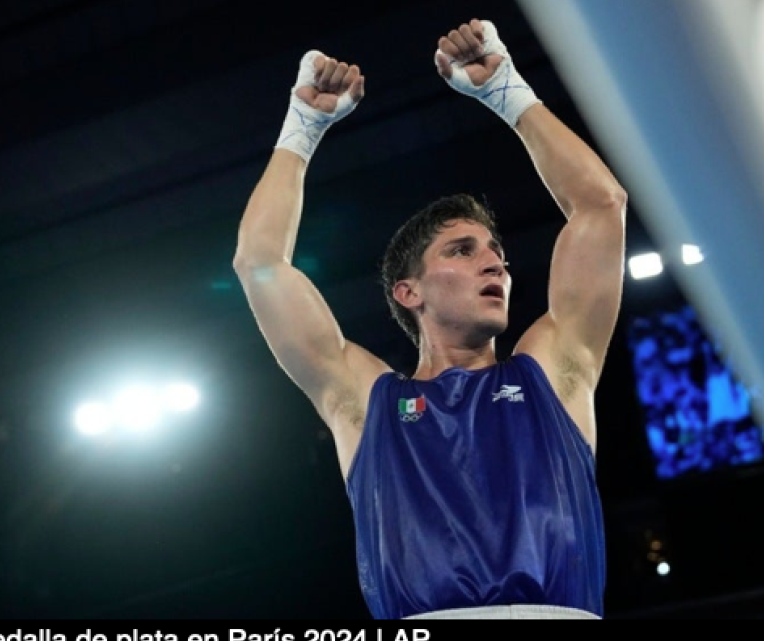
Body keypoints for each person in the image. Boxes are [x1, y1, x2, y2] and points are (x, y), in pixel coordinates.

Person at [233, 18, 627, 620]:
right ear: (408, 292)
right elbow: (259, 263)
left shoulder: (556, 371)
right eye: (462, 251)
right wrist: (302, 127)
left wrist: (508, 92)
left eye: (496, 252)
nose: (494, 263)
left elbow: (601, 207)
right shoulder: (363, 403)